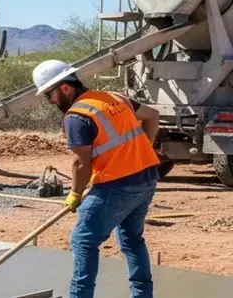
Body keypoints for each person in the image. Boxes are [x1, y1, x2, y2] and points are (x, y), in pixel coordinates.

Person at [33, 60, 160, 298]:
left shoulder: (77, 116)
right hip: (147, 179)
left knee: (83, 241)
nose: (50, 101)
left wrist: (75, 194)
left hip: (116, 187)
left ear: (65, 88)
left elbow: (81, 163)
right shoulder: (113, 97)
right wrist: (142, 152)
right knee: (132, 240)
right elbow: (153, 116)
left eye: (49, 95)